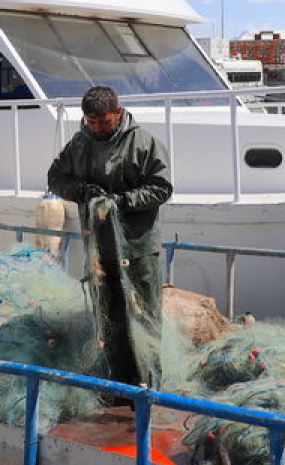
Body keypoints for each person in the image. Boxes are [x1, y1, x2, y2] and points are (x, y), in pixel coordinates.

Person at [48, 86, 172, 389]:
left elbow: (162, 187)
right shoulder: (79, 144)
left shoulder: (143, 143)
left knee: (144, 316)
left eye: (103, 122)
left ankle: (151, 386)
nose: (97, 128)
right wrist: (82, 191)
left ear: (117, 113)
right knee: (110, 316)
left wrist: (122, 201)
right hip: (100, 251)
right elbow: (55, 178)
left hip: (138, 248)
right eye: (91, 123)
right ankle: (119, 383)